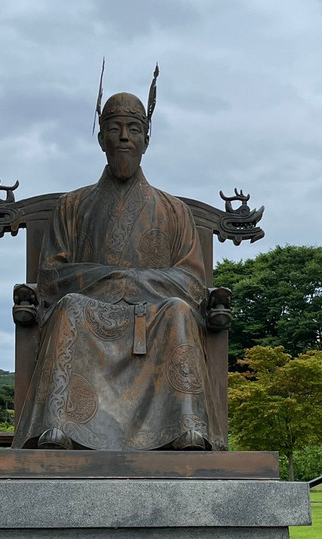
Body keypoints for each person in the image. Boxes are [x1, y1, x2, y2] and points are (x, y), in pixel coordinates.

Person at [12, 86, 225, 451]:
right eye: (115, 128)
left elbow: (191, 281)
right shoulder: (72, 206)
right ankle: (61, 427)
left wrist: (132, 283)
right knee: (69, 309)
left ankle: (185, 429)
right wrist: (121, 281)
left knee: (178, 312)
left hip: (157, 317)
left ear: (146, 139)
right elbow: (51, 275)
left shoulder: (174, 211)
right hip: (90, 312)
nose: (124, 137)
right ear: (101, 138)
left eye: (134, 129)